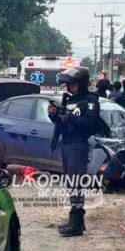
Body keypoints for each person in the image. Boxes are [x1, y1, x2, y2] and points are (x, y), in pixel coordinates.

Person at [48, 66, 102, 237]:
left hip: (78, 146)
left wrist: (68, 115)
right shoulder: (68, 99)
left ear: (82, 84)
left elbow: (89, 125)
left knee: (77, 184)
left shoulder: (91, 101)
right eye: (68, 84)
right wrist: (54, 115)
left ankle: (77, 222)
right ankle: (75, 221)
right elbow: (62, 122)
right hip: (66, 144)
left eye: (72, 84)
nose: (69, 88)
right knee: (71, 185)